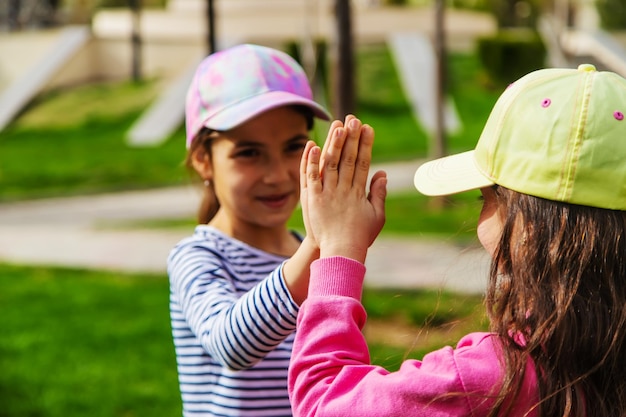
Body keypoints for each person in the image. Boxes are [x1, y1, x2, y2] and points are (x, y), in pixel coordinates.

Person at [289, 63, 626, 417]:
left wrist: (339, 249)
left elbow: (323, 403)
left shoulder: (491, 380)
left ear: (530, 226)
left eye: (487, 198)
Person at [167, 43, 331, 417]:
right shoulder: (197, 256)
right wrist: (320, 246)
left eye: (293, 147)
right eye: (249, 153)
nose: (277, 175)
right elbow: (231, 345)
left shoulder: (307, 254)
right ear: (203, 160)